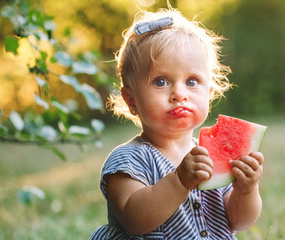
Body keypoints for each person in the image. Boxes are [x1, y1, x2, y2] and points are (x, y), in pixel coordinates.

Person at [90, 9, 264, 239]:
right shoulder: (127, 160)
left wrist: (246, 191)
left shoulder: (212, 154)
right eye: (161, 81)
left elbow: (238, 221)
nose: (179, 94)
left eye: (192, 81)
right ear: (131, 100)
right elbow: (135, 220)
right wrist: (179, 181)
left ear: (209, 93)